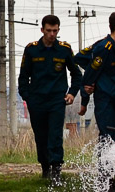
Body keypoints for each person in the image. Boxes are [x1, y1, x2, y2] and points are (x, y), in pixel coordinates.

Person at [17, 15, 82, 181]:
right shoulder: (31, 49)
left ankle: (56, 169)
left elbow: (76, 74)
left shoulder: (64, 49)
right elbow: (23, 76)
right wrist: (27, 97)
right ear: (42, 30)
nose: (52, 34)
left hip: (56, 100)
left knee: (55, 135)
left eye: (55, 31)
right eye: (48, 31)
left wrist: (72, 93)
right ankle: (45, 167)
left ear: (58, 30)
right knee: (41, 135)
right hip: (37, 100)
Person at [79, 12, 115, 192]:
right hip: (106, 101)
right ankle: (104, 182)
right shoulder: (103, 48)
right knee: (108, 139)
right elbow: (88, 76)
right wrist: (85, 99)